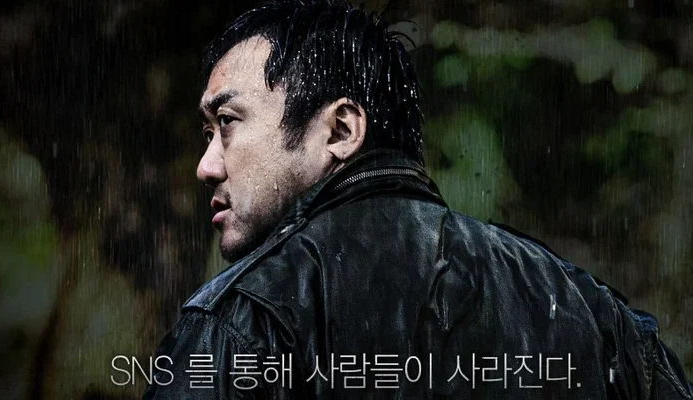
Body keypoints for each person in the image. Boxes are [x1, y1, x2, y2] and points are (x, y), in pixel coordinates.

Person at [143, 0, 692, 398]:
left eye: (227, 122)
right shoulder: (589, 312)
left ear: (340, 130)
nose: (206, 165)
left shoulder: (246, 318)